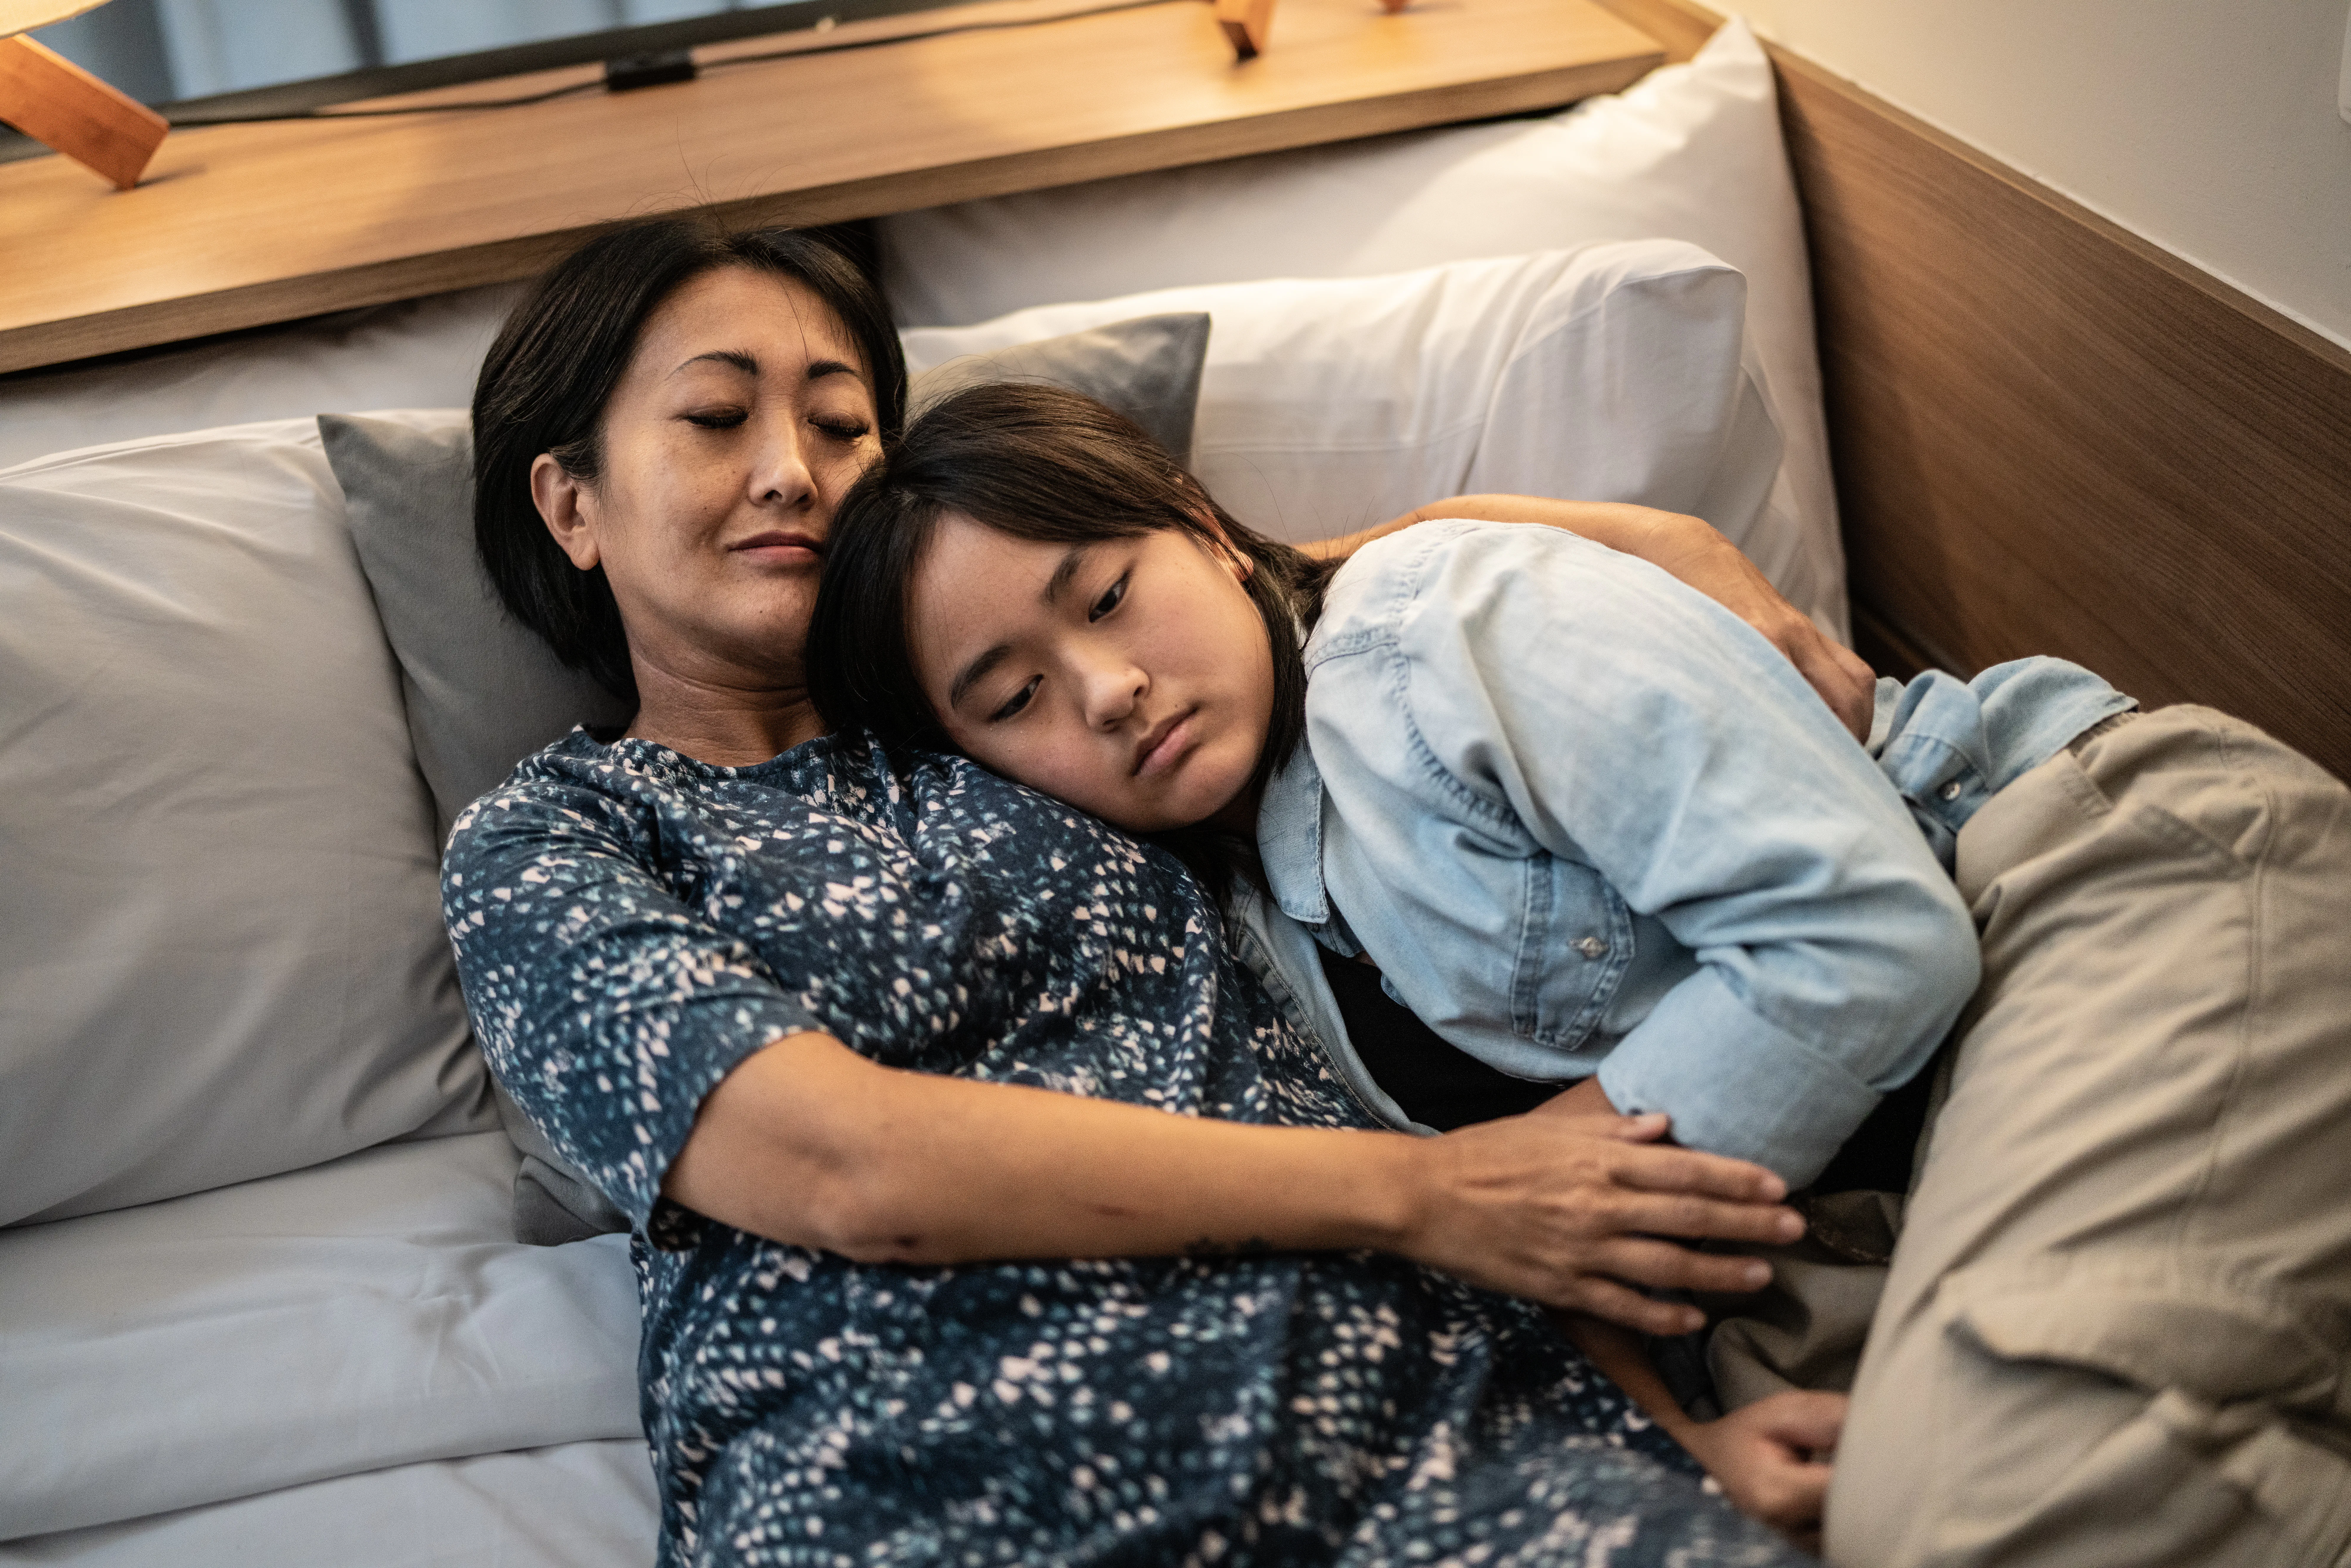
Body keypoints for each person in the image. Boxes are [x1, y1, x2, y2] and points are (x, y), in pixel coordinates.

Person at [446, 213, 1882, 1565]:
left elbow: (1235, 573)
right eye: (716, 418)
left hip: (1428, 1428)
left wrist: (1667, 1438)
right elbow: (845, 1167)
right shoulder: (555, 842)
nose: (792, 473)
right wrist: (1424, 1194)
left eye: (839, 425)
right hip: (927, 1476)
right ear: (572, 504)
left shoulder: (1030, 716)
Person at [805, 381, 2351, 1568]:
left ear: (1206, 531)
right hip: (1879, 1180)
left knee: (1996, 1493)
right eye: (1016, 699)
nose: (1109, 685)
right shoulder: (1238, 925)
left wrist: (1540, 1179)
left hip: (2081, 889)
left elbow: (1867, 940)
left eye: (1108, 594)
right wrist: (1689, 1433)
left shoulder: (1439, 636)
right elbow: (1500, 1234)